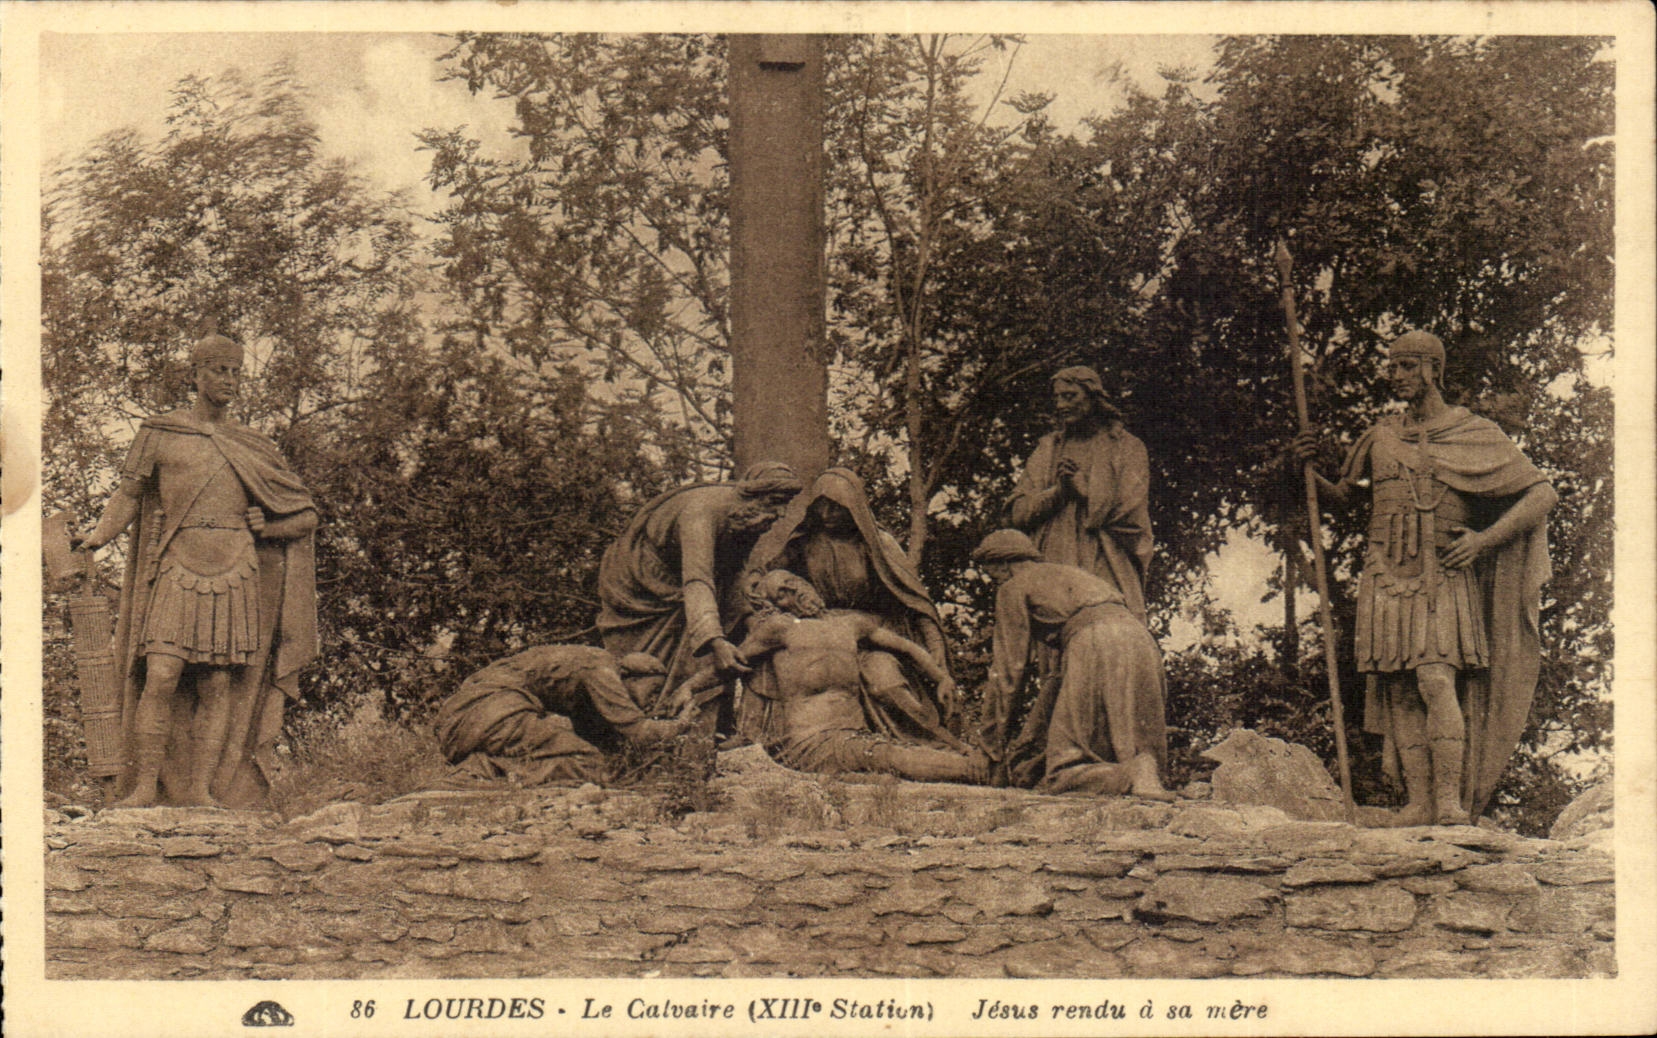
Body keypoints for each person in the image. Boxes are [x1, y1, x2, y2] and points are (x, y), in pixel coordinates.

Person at [1292, 330, 1555, 825]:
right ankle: (1417, 804)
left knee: (1436, 680)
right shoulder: (1380, 436)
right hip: (1385, 570)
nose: (1397, 376)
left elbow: (1541, 494)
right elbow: (1343, 497)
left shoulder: (1471, 431)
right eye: (1393, 367)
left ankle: (1450, 803)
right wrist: (1304, 468)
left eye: (1408, 366)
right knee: (1398, 687)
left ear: (1434, 369)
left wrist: (1483, 540)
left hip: (1441, 571)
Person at [76, 333, 318, 809]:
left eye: (235, 371)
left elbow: (307, 515)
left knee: (216, 683)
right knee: (162, 675)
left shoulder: (252, 444)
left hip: (236, 572)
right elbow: (128, 494)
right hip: (178, 566)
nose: (228, 380)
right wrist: (97, 537)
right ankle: (145, 786)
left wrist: (268, 527)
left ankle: (203, 791)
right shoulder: (160, 434)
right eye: (218, 370)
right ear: (196, 374)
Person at [743, 466, 958, 739]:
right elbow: (770, 573)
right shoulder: (805, 543)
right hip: (826, 634)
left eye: (836, 507)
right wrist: (754, 579)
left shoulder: (879, 545)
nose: (827, 515)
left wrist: (936, 647)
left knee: (887, 685)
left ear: (853, 506)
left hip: (871, 634)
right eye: (821, 507)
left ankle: (936, 743)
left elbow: (915, 601)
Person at [719, 570, 985, 783]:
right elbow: (730, 663)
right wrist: (688, 687)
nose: (795, 591)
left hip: (855, 737)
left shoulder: (850, 624)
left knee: (889, 758)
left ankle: (970, 764)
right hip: (815, 741)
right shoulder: (782, 629)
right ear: (777, 608)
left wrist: (941, 678)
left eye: (793, 581)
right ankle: (976, 769)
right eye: (783, 594)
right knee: (892, 758)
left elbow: (906, 647)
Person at [971, 529, 1171, 799]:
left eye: (991, 574)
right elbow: (1057, 681)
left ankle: (1131, 772)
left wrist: (990, 747)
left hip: (1095, 644)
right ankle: (1146, 770)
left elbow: (1009, 671)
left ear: (1003, 564)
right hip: (1140, 641)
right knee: (1120, 745)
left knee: (1064, 770)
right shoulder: (1071, 576)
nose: (994, 582)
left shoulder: (1013, 587)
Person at [596, 462, 803, 706]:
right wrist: (714, 640)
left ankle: (695, 728)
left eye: (785, 504)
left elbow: (734, 572)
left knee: (708, 649)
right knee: (644, 666)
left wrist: (749, 617)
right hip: (643, 586)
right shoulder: (701, 512)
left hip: (692, 589)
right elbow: (698, 579)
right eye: (776, 501)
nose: (781, 513)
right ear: (752, 496)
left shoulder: (747, 518)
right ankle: (643, 724)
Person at [1007, 365, 1153, 623]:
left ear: (1093, 397)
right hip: (1053, 561)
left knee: (1109, 633)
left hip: (1105, 561)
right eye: (1057, 398)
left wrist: (1087, 493)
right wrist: (1060, 493)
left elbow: (1133, 516)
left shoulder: (1127, 448)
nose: (1061, 405)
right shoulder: (1048, 449)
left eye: (1070, 396)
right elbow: (1018, 513)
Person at [434, 647, 690, 786]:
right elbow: (637, 730)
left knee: (587, 757)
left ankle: (487, 767)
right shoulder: (602, 669)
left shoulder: (587, 672)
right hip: (490, 710)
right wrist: (681, 725)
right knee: (587, 762)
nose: (652, 700)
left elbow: (605, 739)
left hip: (466, 717)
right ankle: (483, 771)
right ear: (629, 675)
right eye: (653, 690)